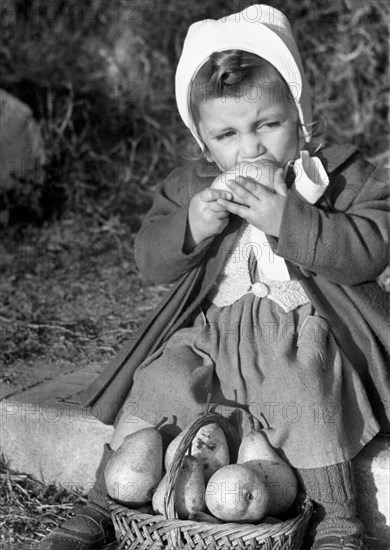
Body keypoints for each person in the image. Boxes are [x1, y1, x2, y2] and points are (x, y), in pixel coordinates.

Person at [39, 4, 390, 550]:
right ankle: (103, 505)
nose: (249, 147)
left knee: (310, 392)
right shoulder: (194, 185)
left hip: (299, 333)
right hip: (214, 331)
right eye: (227, 134)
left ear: (301, 115)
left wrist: (290, 219)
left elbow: (369, 251)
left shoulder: (340, 176)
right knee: (159, 383)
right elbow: (149, 260)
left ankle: (339, 521)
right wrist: (191, 226)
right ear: (204, 143)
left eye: (268, 125)